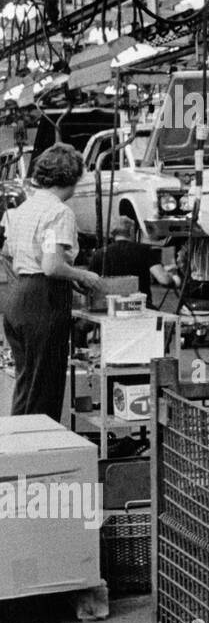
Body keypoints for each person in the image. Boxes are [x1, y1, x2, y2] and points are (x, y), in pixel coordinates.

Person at [0, 144, 102, 419]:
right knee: (44, 386)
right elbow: (51, 264)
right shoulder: (59, 212)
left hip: (17, 296)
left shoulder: (21, 210)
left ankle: (21, 447)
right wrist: (82, 275)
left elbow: (8, 253)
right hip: (42, 301)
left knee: (27, 382)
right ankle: (41, 451)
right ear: (72, 179)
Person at [85, 216, 175, 298]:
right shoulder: (145, 250)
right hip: (140, 306)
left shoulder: (100, 253)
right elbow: (164, 280)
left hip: (110, 306)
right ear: (132, 230)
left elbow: (87, 282)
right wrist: (174, 278)